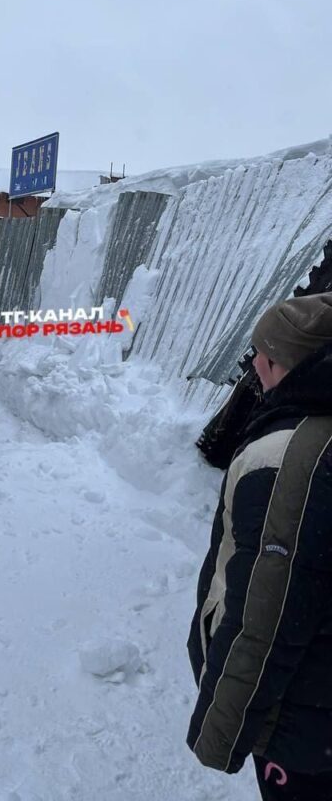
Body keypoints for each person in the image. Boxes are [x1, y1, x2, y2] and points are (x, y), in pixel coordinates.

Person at [186, 292, 332, 801]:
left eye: (257, 358)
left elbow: (266, 616)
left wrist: (221, 729)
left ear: (274, 362)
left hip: (303, 723)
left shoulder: (287, 459)